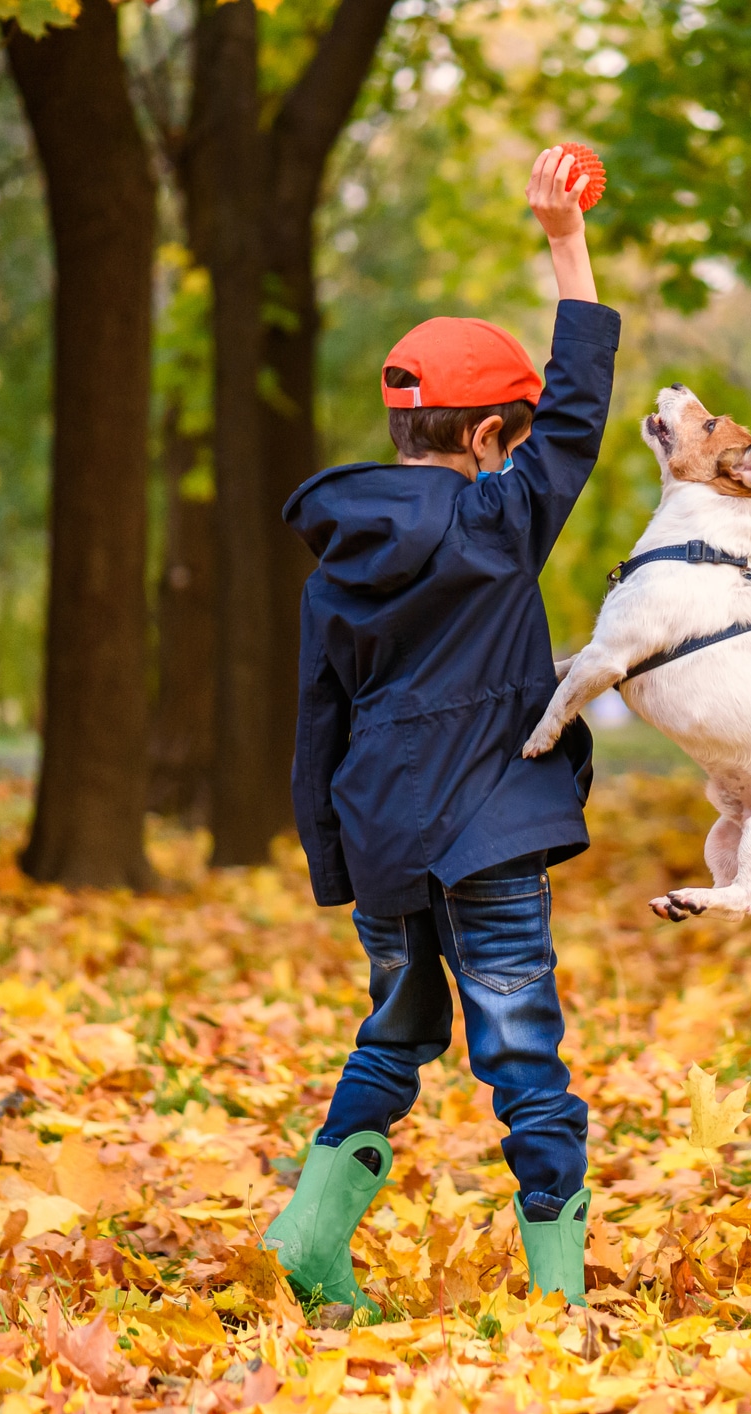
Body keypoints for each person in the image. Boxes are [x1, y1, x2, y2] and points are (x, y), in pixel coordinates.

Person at [264, 147, 616, 1311]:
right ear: (482, 442)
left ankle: (312, 1236)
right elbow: (577, 412)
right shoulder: (497, 520)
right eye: (509, 439)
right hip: (491, 837)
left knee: (398, 1026)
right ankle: (558, 1297)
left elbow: (317, 719)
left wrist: (336, 860)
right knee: (521, 1057)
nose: (520, 453)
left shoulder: (339, 554)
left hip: (386, 840)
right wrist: (564, 240)